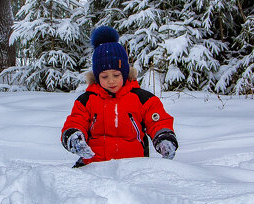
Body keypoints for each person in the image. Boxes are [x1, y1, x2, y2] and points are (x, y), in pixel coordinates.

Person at [61, 26, 178, 166]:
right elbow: (76, 121)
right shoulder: (86, 101)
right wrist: (74, 137)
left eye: (116, 75)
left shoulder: (142, 99)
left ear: (124, 73)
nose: (111, 80)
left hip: (133, 167)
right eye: (104, 76)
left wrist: (164, 138)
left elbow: (157, 121)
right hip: (94, 167)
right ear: (97, 77)